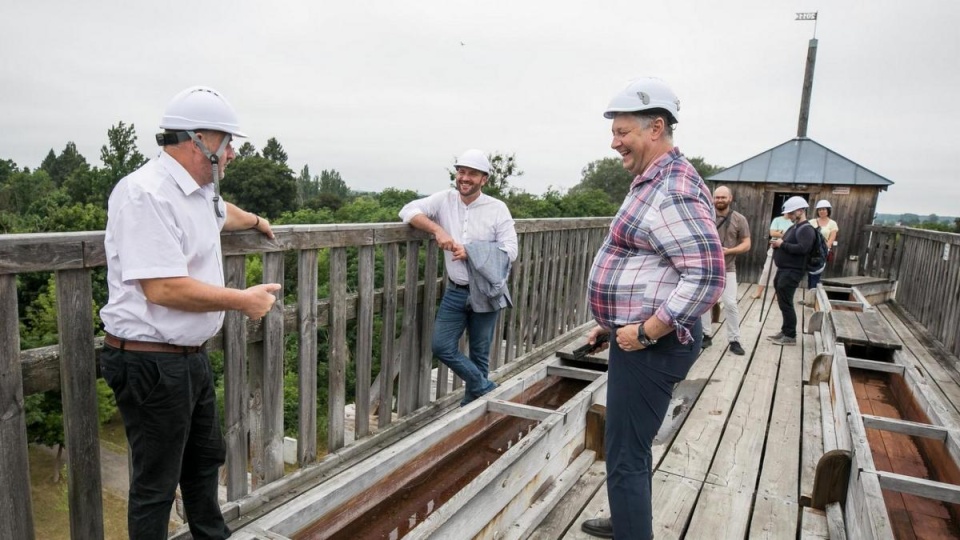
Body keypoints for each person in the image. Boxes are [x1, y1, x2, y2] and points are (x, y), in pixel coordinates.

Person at [99, 86, 280, 540]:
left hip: (185, 356)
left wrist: (257, 220)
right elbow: (161, 288)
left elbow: (223, 214)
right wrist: (243, 301)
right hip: (149, 359)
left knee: (203, 462)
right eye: (228, 142)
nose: (233, 153)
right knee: (156, 485)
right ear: (199, 140)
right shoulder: (144, 194)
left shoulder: (196, 191)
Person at [581, 78, 725, 540]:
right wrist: (612, 326)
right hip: (639, 339)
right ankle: (627, 519)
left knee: (626, 452)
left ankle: (631, 530)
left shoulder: (675, 188)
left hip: (652, 348)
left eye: (623, 132)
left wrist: (645, 332)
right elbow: (654, 265)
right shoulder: (656, 180)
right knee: (629, 447)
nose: (614, 141)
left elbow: (705, 276)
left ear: (656, 128)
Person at [399, 149, 518, 406]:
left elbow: (511, 250)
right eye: (461, 172)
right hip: (456, 290)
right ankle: (485, 388)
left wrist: (472, 252)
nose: (465, 178)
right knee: (441, 346)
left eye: (472, 174)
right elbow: (408, 210)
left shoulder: (497, 208)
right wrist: (437, 229)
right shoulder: (445, 200)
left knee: (480, 352)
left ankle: (471, 407)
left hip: (486, 290)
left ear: (483, 179)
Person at [700, 186, 751, 355]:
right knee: (705, 304)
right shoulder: (704, 216)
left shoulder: (739, 219)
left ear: (730, 198)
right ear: (712, 199)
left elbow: (746, 243)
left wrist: (730, 251)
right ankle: (705, 334)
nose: (719, 200)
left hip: (728, 267)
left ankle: (734, 340)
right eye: (717, 197)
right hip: (707, 267)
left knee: (730, 304)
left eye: (723, 197)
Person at [769, 196, 817, 346]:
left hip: (792, 271)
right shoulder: (795, 227)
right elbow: (787, 243)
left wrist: (782, 245)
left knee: (787, 303)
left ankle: (790, 335)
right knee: (783, 302)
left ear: (801, 210)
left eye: (791, 213)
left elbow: (803, 249)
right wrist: (777, 245)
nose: (788, 215)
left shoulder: (806, 229)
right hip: (784, 270)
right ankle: (785, 331)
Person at [803, 199, 839, 303]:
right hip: (811, 252)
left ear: (828, 210)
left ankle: (813, 299)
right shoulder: (812, 222)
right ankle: (810, 298)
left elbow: (832, 238)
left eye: (824, 209)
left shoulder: (832, 223)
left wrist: (824, 249)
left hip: (822, 253)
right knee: (810, 274)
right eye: (819, 210)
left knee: (816, 274)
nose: (822, 211)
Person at [752, 210, 793, 299]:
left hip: (787, 249)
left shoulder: (794, 222)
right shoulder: (777, 220)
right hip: (775, 248)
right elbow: (772, 233)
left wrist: (781, 233)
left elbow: (793, 236)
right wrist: (786, 234)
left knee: (782, 272)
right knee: (767, 270)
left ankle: (778, 295)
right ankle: (758, 292)